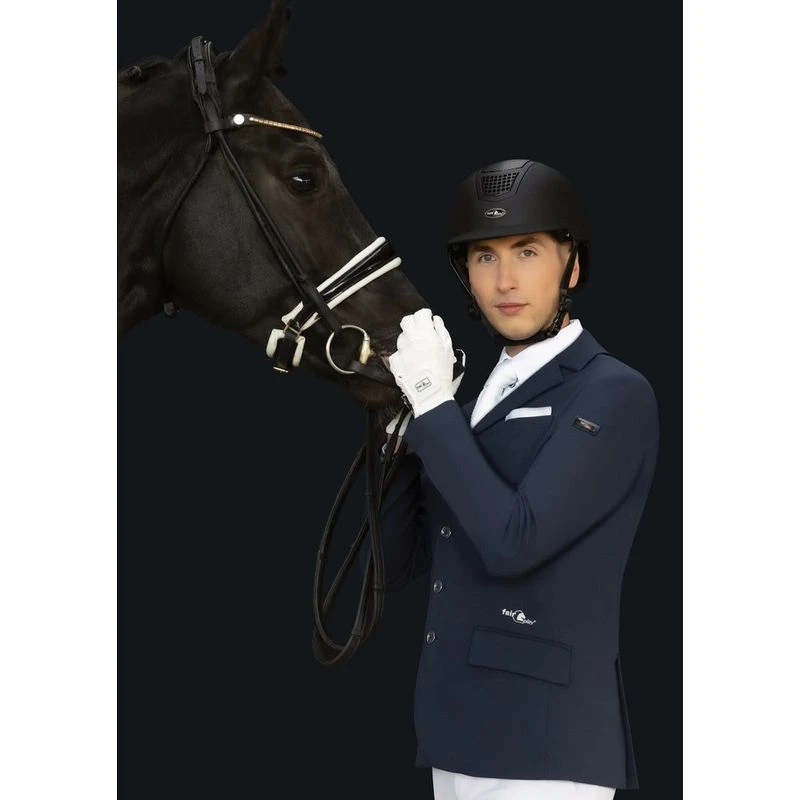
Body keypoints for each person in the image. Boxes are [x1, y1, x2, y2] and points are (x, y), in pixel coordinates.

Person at [370, 159, 659, 800]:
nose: (505, 280)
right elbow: (396, 564)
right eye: (485, 257)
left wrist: (432, 406)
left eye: (527, 251)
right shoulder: (467, 405)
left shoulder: (614, 392)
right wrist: (398, 434)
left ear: (571, 267)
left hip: (546, 739)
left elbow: (513, 541)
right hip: (455, 730)